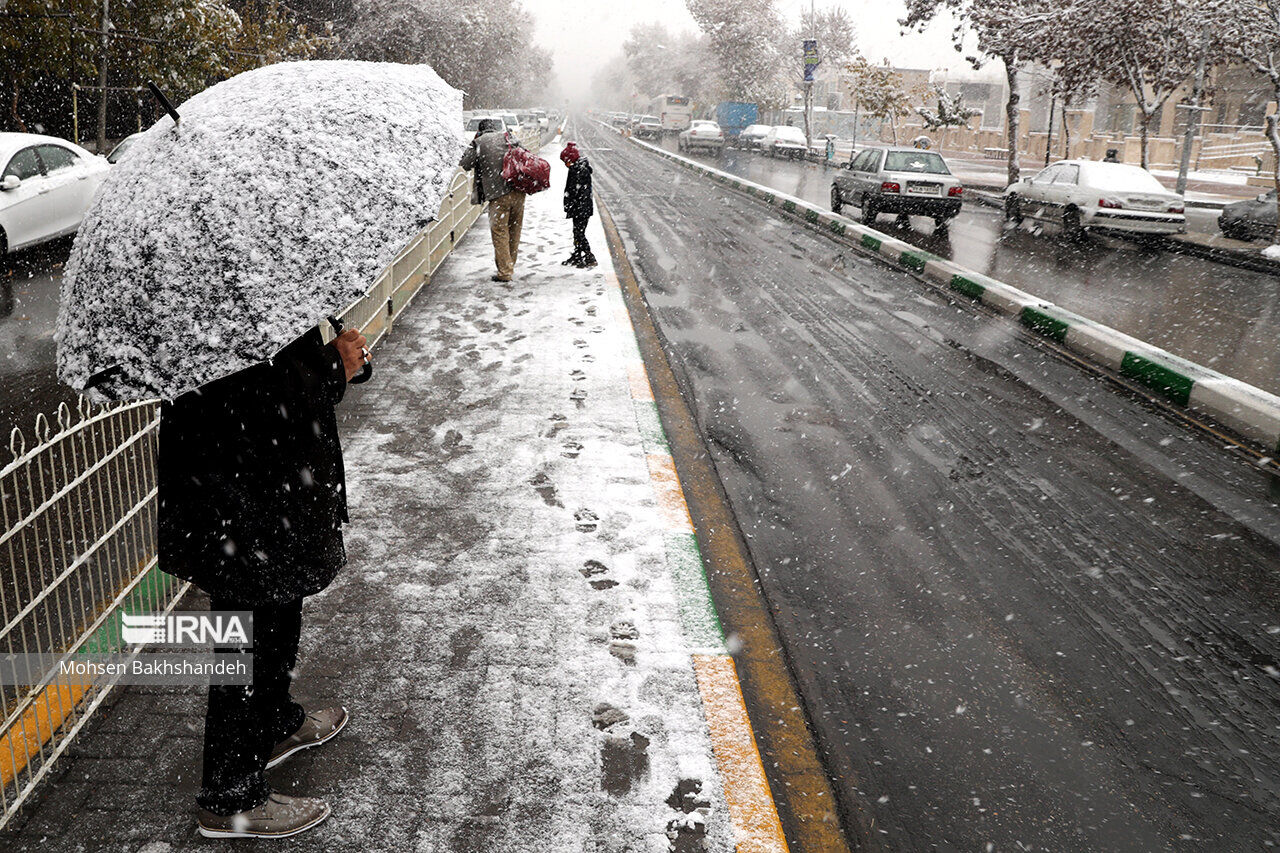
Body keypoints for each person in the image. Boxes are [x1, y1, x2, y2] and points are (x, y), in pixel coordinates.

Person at [158, 324, 370, 839]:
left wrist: (333, 366)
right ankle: (229, 796)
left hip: (267, 494)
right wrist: (331, 367)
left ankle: (273, 721)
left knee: (277, 614)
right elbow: (256, 397)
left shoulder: (252, 290)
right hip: (241, 500)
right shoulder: (209, 302)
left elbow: (279, 381)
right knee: (249, 634)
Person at [461, 117, 527, 282]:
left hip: (499, 195)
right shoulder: (508, 137)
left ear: (480, 130)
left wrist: (474, 143)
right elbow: (525, 153)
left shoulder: (480, 142)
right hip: (519, 192)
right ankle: (509, 264)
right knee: (514, 231)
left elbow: (465, 163)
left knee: (499, 232)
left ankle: (505, 272)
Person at [560, 142, 596, 268]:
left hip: (580, 208)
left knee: (579, 232)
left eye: (566, 161)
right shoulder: (579, 168)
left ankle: (589, 256)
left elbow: (574, 191)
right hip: (582, 207)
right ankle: (577, 255)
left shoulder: (578, 171)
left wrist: (572, 204)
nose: (565, 164)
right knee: (577, 232)